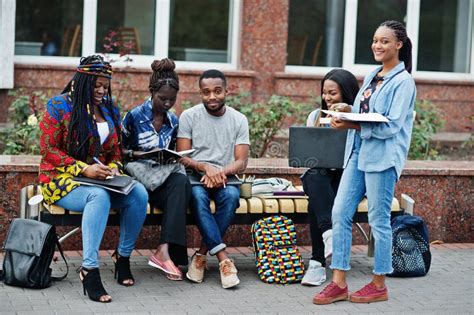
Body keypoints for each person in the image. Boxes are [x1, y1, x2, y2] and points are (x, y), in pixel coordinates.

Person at [313, 20, 416, 305]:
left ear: (399, 44)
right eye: (375, 40)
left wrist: (351, 125)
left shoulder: (403, 81)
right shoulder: (373, 75)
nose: (377, 45)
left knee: (378, 221)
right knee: (339, 212)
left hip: (383, 158)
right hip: (358, 154)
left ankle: (379, 283)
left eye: (384, 41)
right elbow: (364, 110)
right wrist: (348, 109)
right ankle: (338, 282)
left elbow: (392, 126)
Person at [38, 55, 148, 303]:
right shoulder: (58, 106)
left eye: (105, 85)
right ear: (83, 81)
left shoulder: (108, 108)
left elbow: (115, 151)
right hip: (60, 179)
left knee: (138, 193)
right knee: (97, 197)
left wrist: (114, 168)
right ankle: (89, 268)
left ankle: (123, 257)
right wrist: (82, 169)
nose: (102, 91)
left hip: (99, 178)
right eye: (96, 85)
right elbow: (48, 150)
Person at [177, 69, 250, 289]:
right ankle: (223, 259)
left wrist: (219, 173)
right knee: (198, 198)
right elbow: (183, 157)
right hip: (195, 177)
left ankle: (200, 254)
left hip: (226, 178)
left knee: (230, 197)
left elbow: (241, 162)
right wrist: (205, 168)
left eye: (217, 91)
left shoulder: (238, 119)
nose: (212, 97)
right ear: (200, 93)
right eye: (206, 92)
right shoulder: (189, 116)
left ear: (226, 90)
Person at [122, 58, 191, 281]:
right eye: (163, 98)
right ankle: (177, 256)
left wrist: (172, 157)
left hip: (160, 178)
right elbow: (119, 152)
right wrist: (141, 155)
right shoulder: (134, 117)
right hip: (138, 180)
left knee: (181, 183)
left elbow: (173, 152)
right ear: (152, 92)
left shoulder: (173, 121)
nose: (168, 104)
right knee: (179, 193)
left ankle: (163, 250)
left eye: (172, 99)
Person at [301, 69, 359, 286]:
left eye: (332, 93)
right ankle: (329, 234)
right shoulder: (315, 116)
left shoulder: (357, 118)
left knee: (316, 201)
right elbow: (308, 154)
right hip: (319, 174)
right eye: (324, 93)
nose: (327, 98)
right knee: (315, 174)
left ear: (346, 93)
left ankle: (316, 263)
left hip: (347, 177)